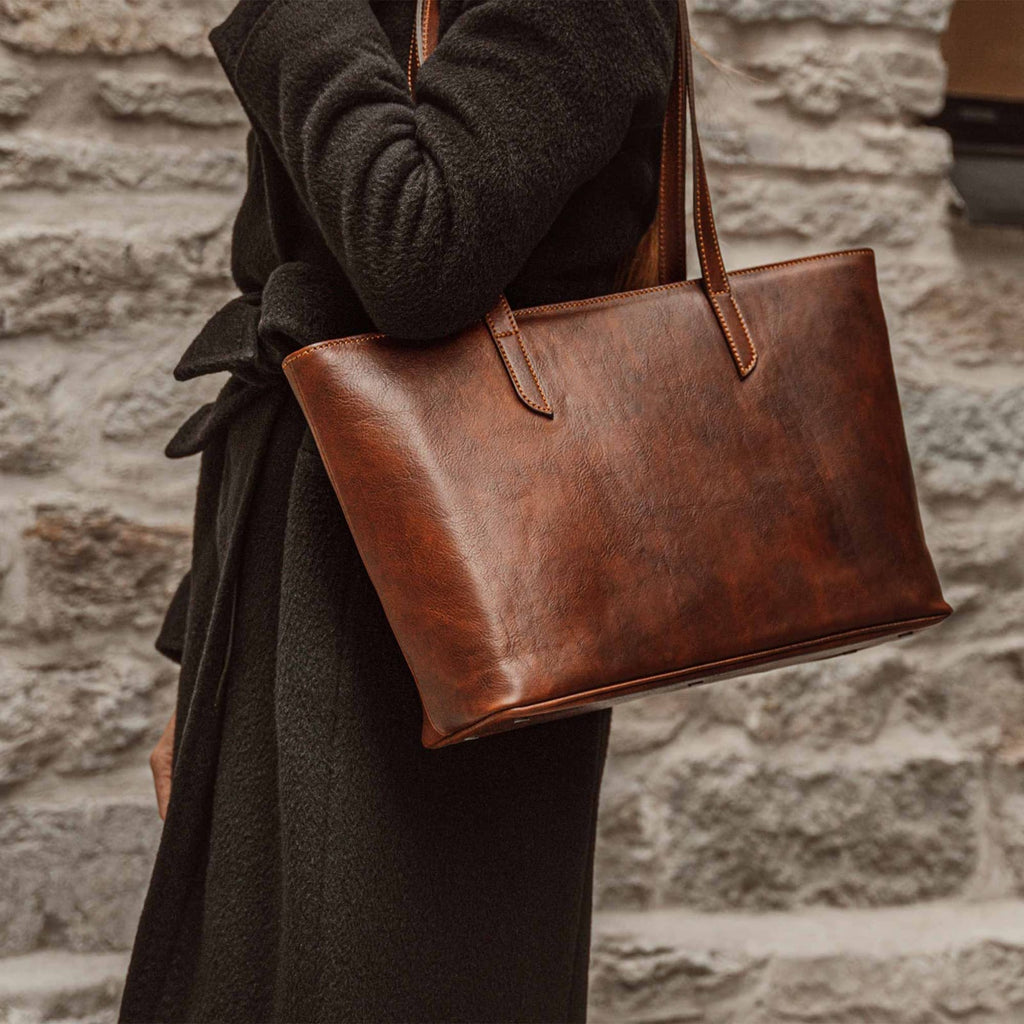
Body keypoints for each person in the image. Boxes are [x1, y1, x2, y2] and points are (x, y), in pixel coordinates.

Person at [119, 1, 677, 1021]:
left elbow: (415, 245)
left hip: (439, 623)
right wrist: (205, 653)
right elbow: (303, 358)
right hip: (300, 586)